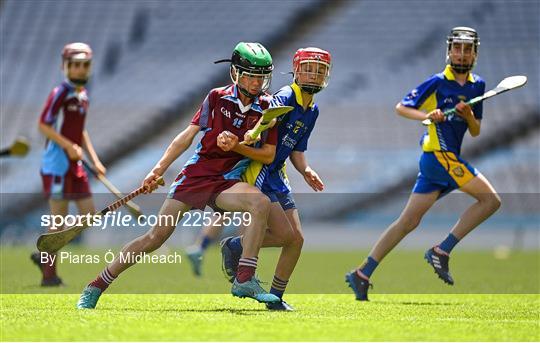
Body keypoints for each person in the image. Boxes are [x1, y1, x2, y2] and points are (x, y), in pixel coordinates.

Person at [76, 42, 282, 309]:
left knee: (260, 203)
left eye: (261, 77)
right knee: (155, 237)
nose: (257, 83)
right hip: (196, 176)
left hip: (228, 181)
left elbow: (268, 154)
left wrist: (238, 147)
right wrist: (158, 169)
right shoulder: (216, 97)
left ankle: (245, 278)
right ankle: (95, 286)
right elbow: (186, 137)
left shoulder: (268, 107)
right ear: (236, 73)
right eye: (251, 75)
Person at [346, 27, 501, 301]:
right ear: (449, 50)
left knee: (407, 222)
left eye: (468, 49)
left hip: (443, 159)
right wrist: (428, 115)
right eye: (457, 48)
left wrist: (467, 116)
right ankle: (441, 250)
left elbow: (475, 131)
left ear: (475, 53)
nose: (462, 53)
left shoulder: (478, 85)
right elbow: (401, 107)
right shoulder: (437, 82)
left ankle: (362, 273)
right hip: (438, 156)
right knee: (490, 201)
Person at [220, 47, 332, 311]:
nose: (313, 75)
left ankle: (274, 295)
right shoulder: (283, 97)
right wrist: (255, 131)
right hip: (258, 170)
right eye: (308, 69)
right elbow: (258, 124)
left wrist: (305, 170)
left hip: (277, 174)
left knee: (295, 240)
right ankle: (239, 250)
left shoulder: (312, 110)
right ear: (296, 70)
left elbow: (297, 148)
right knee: (286, 235)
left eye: (319, 71)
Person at [31, 42, 106, 287]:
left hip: (76, 165)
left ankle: (43, 254)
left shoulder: (83, 95)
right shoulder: (60, 93)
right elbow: (43, 125)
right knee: (58, 220)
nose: (80, 69)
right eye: (75, 65)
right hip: (57, 165)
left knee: (89, 216)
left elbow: (80, 131)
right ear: (66, 66)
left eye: (85, 65)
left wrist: (94, 159)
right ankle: (49, 276)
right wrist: (67, 146)